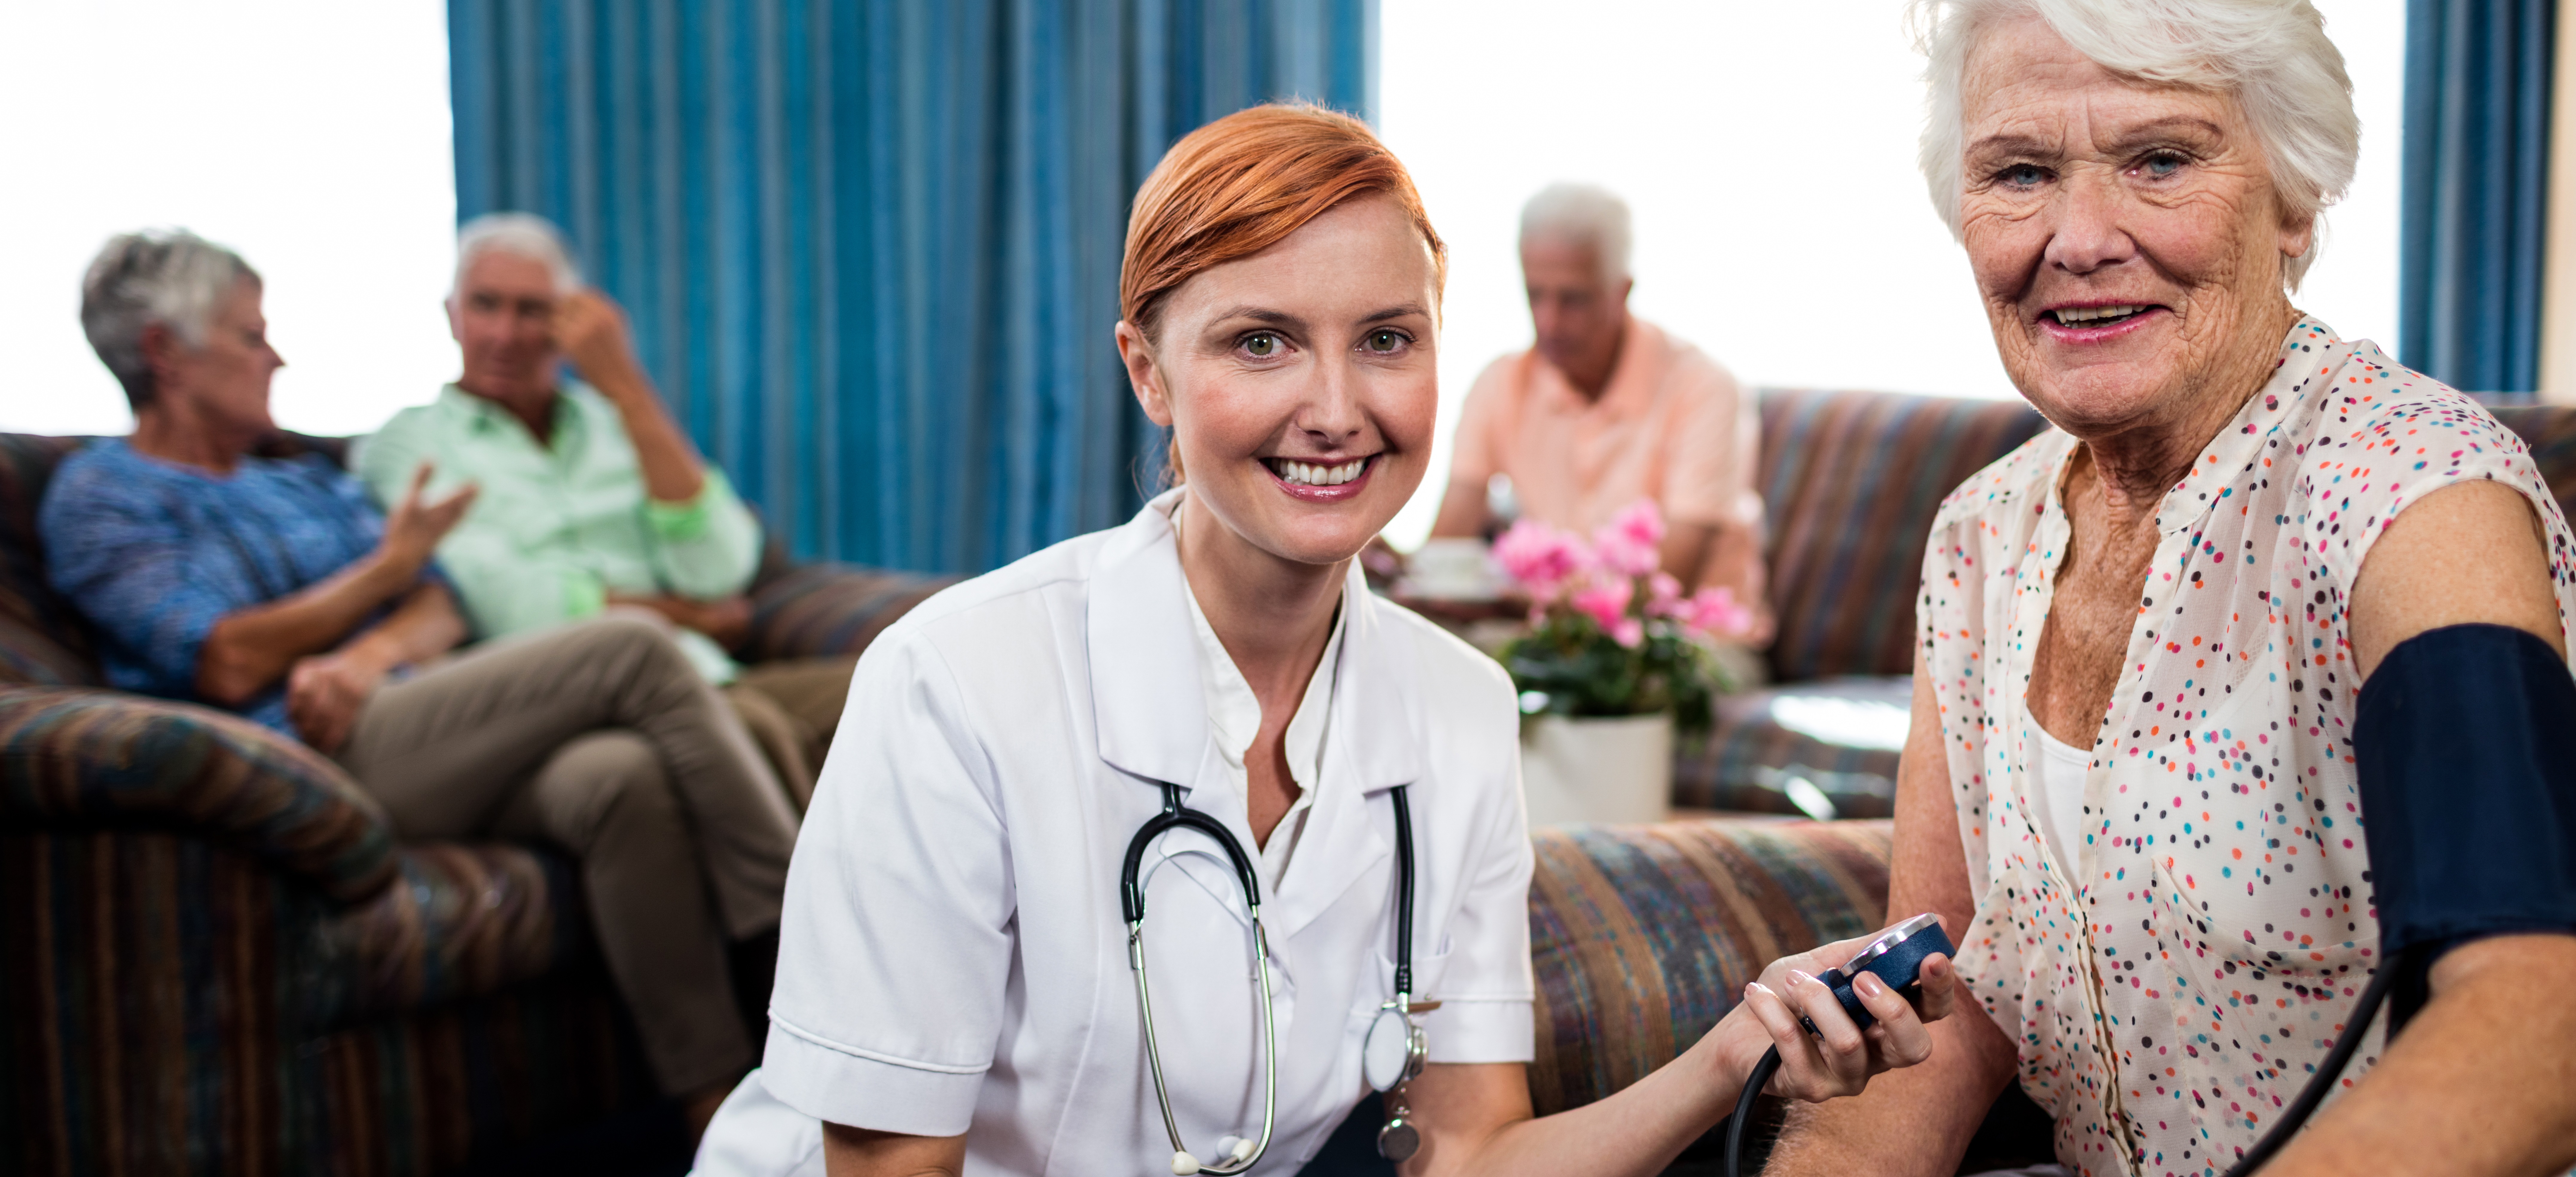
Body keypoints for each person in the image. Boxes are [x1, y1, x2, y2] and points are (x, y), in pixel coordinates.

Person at [690, 105, 1956, 1177]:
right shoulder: (956, 682)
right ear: (1148, 373)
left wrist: (1737, 1049)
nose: (1338, 411)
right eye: (1261, 341)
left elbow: (1467, 1154)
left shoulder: (1459, 708)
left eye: (1387, 341)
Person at [1765, 4, 2576, 1176]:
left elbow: (2538, 1013)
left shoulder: (2414, 498)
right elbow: (1949, 1000)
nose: (2081, 237)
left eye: (2160, 160)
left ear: (2295, 199)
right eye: (2021, 172)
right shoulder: (1980, 542)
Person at [40, 230, 799, 1140]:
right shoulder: (104, 495)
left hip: (406, 718)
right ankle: (819, 940)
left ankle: (727, 1118)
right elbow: (227, 658)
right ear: (167, 352)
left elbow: (436, 603)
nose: (275, 355)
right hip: (305, 759)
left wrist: (367, 651)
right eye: (250, 336)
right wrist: (377, 584)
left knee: (618, 780)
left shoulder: (296, 479)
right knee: (630, 646)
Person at [353, 213, 846, 805]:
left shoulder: (617, 422)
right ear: (452, 315)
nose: (504, 335)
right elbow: (505, 602)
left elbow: (721, 568)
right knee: (754, 730)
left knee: (894, 694)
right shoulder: (407, 444)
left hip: (712, 673)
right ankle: (806, 902)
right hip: (571, 697)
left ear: (568, 323)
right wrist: (686, 616)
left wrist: (626, 387)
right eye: (485, 305)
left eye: (531, 311)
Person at [1427, 183, 1767, 639]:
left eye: (1573, 299)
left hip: (1685, 644)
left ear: (1621, 291)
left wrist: (1524, 601)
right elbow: (1447, 544)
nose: (1548, 321)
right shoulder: (1500, 383)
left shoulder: (1704, 388)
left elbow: (1666, 582)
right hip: (1552, 634)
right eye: (1535, 295)